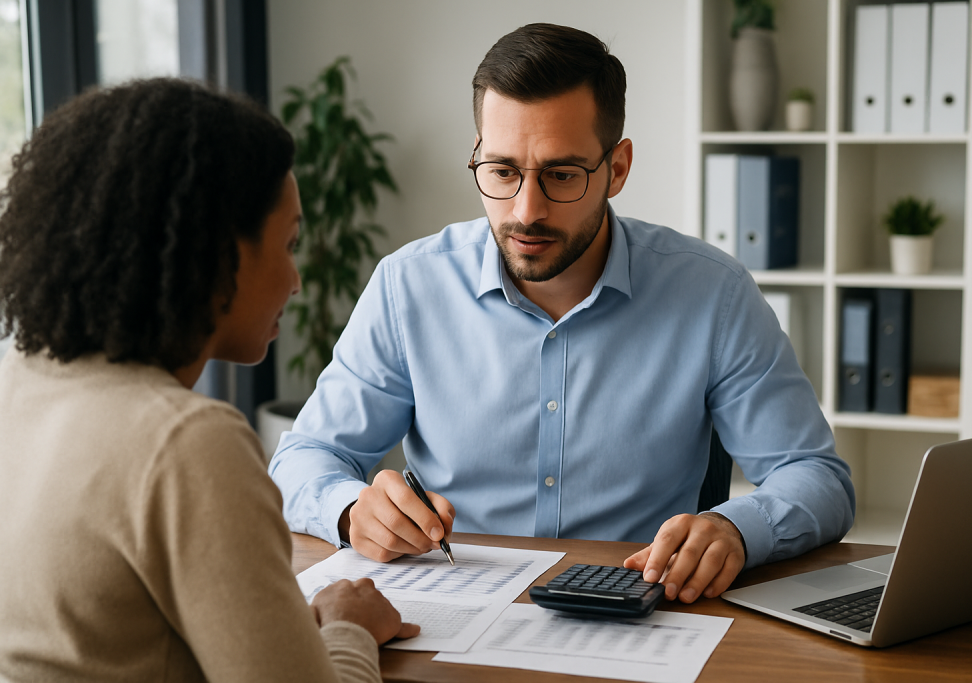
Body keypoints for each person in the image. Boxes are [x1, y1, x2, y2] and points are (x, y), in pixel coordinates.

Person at [270, 23, 856, 604]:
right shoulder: (409, 286)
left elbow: (816, 477)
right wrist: (348, 509)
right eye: (501, 171)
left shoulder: (713, 294)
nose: (527, 211)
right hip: (455, 616)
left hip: (640, 616)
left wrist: (737, 529)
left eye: (561, 175)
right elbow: (304, 457)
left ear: (617, 168)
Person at [0, 78, 417, 682]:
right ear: (219, 253)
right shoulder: (187, 442)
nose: (298, 282)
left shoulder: (19, 384)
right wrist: (349, 626)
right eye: (289, 243)